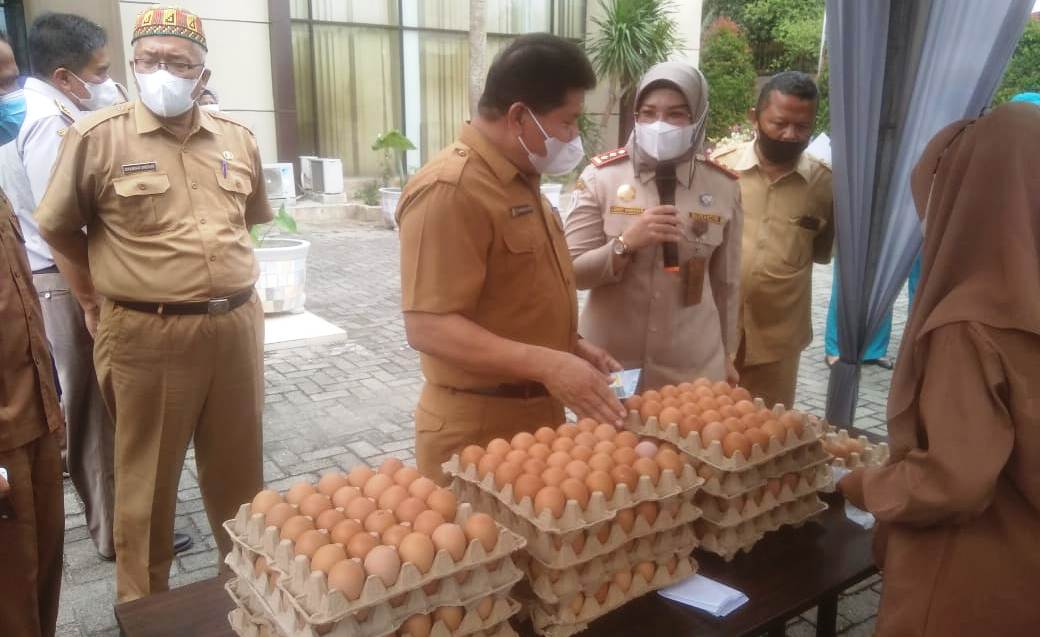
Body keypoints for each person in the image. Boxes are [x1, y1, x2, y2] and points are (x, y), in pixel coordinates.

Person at [35, 6, 271, 602]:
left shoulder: (237, 139)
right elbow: (57, 227)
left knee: (240, 476)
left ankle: (251, 596)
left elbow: (245, 222)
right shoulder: (97, 137)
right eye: (149, 60)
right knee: (146, 485)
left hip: (236, 328)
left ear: (202, 73)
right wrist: (91, 298)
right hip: (147, 334)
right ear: (134, 65)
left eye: (178, 62)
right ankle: (143, 612)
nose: (162, 71)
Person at [838, 102, 1040, 636]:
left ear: (973, 198)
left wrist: (863, 484)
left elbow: (953, 482)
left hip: (967, 582)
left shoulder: (969, 323)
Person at [397, 33, 625, 483]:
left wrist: (571, 348)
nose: (574, 136)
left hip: (535, 415)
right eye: (567, 121)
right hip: (478, 428)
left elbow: (513, 297)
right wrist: (549, 364)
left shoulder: (520, 179)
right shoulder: (452, 189)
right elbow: (429, 326)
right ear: (520, 116)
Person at [0, 12, 128, 562]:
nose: (107, 82)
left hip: (53, 276)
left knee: (93, 404)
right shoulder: (50, 123)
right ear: (63, 75)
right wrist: (90, 301)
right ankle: (114, 533)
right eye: (99, 71)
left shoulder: (32, 112)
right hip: (63, 278)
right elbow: (59, 223)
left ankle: (115, 521)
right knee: (92, 409)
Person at [565, 61, 742, 389]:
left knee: (685, 425)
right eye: (648, 113)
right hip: (613, 363)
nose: (660, 124)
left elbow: (726, 283)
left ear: (698, 116)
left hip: (690, 366)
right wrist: (625, 244)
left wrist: (728, 354)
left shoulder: (722, 186)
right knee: (612, 423)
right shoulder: (601, 178)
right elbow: (572, 273)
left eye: (676, 114)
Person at [713, 71, 834, 409]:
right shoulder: (719, 171)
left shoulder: (825, 185)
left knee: (768, 431)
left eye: (802, 127)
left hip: (777, 343)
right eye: (779, 123)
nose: (790, 135)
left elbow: (820, 251)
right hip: (713, 335)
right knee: (705, 423)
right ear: (754, 117)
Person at [0, 38, 65, 635]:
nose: (12, 98)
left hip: (35, 419)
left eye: (12, 80)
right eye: (1, 86)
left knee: (42, 574)